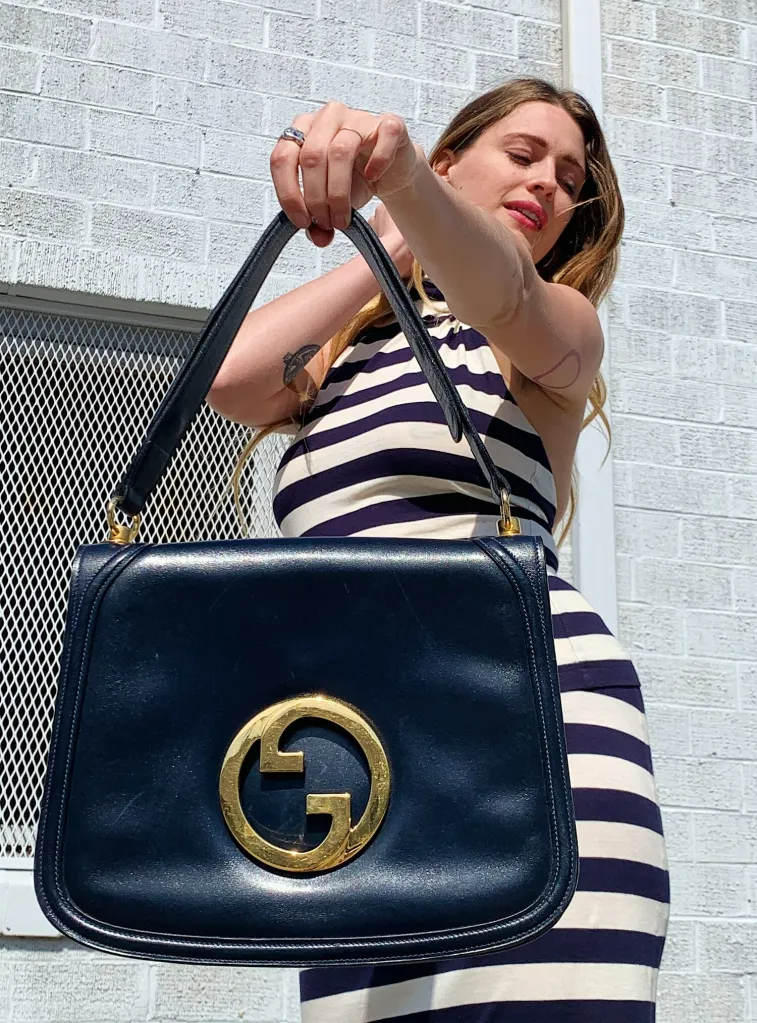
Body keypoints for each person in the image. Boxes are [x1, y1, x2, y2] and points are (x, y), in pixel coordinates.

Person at [208, 78, 670, 1023]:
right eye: (524, 154)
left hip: (535, 734)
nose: (548, 183)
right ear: (455, 162)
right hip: (362, 755)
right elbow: (225, 378)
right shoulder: (344, 357)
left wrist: (411, 180)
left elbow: (504, 288)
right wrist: (391, 239)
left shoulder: (548, 333)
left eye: (569, 178)